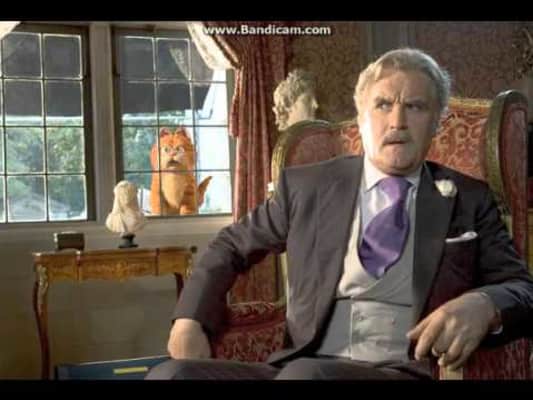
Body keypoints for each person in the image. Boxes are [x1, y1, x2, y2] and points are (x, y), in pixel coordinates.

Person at [146, 48, 533, 380]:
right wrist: (190, 319)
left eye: (415, 106)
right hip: (300, 365)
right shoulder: (308, 187)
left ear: (437, 121)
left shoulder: (469, 198)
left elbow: (522, 288)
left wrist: (484, 304)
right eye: (383, 105)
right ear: (362, 118)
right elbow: (230, 246)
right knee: (171, 374)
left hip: (400, 371)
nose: (397, 121)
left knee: (306, 376)